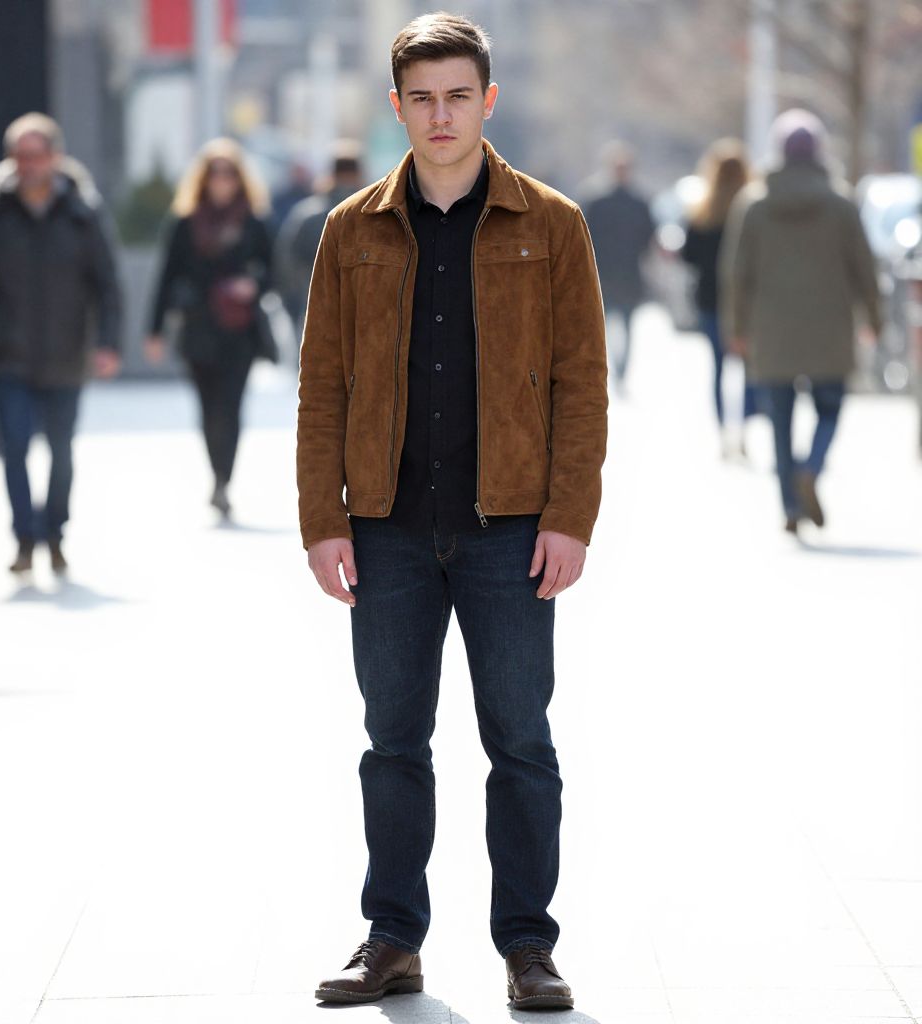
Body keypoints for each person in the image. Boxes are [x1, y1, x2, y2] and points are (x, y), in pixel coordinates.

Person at [296, 12, 607, 1010]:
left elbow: (582, 383)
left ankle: (528, 948)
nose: (441, 116)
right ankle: (392, 939)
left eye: (458, 97)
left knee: (520, 742)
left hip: (510, 528)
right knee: (392, 743)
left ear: (488, 101)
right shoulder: (350, 231)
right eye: (423, 99)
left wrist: (570, 515)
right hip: (385, 527)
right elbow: (321, 385)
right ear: (397, 107)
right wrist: (322, 519)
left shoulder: (552, 224)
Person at [0, 112, 121, 574]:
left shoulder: (83, 214)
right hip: (8, 357)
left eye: (37, 154)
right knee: (14, 450)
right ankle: (24, 538)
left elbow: (107, 285)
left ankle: (55, 533)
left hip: (66, 354)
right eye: (20, 155)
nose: (28, 164)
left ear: (56, 157)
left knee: (61, 453)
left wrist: (107, 343)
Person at [721, 109, 881, 533]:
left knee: (780, 421)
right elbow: (864, 268)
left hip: (771, 331)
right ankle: (811, 466)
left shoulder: (754, 204)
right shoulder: (841, 204)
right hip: (830, 328)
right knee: (830, 407)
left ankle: (790, 507)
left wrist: (736, 328)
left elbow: (737, 273)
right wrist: (875, 319)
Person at [146, 138, 272, 518]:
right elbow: (166, 277)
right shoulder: (185, 223)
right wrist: (154, 330)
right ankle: (216, 473)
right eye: (215, 173)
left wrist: (252, 284)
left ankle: (223, 481)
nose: (222, 180)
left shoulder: (253, 222)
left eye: (229, 173)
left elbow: (273, 271)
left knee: (230, 407)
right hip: (199, 327)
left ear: (239, 178)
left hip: (239, 329)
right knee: (207, 407)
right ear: (203, 178)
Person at [681, 138, 756, 453]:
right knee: (749, 367)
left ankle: (724, 430)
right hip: (747, 301)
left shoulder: (703, 209)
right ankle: (744, 429)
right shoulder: (752, 209)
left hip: (710, 300)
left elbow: (688, 255)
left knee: (719, 367)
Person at [579, 140, 655, 388]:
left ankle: (621, 368)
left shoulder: (637, 202)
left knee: (626, 323)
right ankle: (610, 365)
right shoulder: (597, 200)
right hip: (603, 273)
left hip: (627, 273)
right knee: (603, 324)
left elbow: (648, 236)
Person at [275, 141, 366, 342]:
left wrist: (295, 301)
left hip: (314, 308)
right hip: (362, 313)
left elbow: (287, 265)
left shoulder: (307, 214)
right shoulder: (374, 215)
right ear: (360, 175)